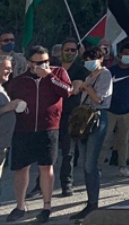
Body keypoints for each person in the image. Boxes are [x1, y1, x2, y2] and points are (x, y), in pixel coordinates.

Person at [6, 46, 72, 223]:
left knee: (46, 167)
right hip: (23, 129)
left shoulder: (58, 73)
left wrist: (49, 76)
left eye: (46, 61)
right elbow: (8, 97)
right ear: (29, 63)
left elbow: (67, 91)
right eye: (38, 62)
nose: (43, 65)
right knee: (21, 168)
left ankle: (46, 206)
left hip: (48, 129)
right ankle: (20, 206)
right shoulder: (20, 80)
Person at [72, 46, 112, 223]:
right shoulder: (89, 76)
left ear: (101, 59)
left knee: (90, 163)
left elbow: (100, 99)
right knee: (84, 162)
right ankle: (90, 201)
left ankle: (93, 202)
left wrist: (86, 88)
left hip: (97, 117)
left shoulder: (105, 75)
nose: (89, 62)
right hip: (84, 119)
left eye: (92, 59)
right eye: (86, 59)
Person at [99, 42, 129, 177]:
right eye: (125, 54)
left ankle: (122, 166)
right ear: (119, 55)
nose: (128, 56)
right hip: (109, 110)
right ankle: (99, 167)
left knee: (123, 141)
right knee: (105, 139)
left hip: (128, 111)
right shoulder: (110, 71)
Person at [54, 38, 86, 198]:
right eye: (67, 50)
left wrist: (53, 82)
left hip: (70, 114)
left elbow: (74, 89)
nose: (70, 53)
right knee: (48, 151)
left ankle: (66, 184)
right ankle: (40, 184)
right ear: (61, 51)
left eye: (73, 50)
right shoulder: (53, 67)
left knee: (68, 152)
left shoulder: (80, 69)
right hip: (52, 113)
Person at [0, 55, 22, 194]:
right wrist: (6, 108)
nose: (10, 71)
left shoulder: (2, 88)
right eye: (6, 68)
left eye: (11, 68)